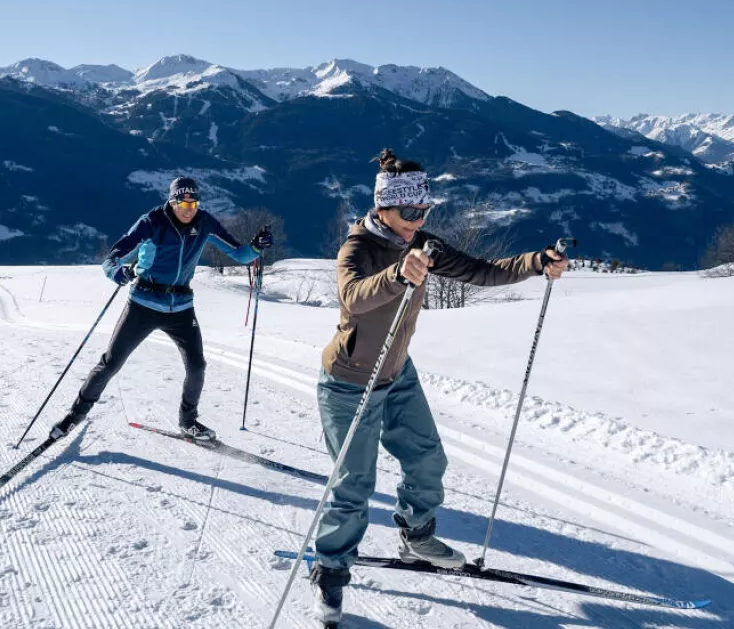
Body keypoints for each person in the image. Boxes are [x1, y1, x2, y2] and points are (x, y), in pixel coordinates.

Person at [310, 148, 569, 623]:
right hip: (350, 383)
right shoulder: (358, 248)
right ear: (382, 207)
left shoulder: (424, 245)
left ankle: (416, 535)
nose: (417, 220)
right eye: (409, 212)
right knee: (354, 486)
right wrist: (396, 274)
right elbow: (353, 296)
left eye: (424, 211)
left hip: (397, 372)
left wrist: (537, 261)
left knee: (428, 458)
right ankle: (329, 571)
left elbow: (481, 270)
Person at [49, 177, 272, 441]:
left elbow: (241, 255)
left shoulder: (205, 222)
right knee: (111, 363)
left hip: (181, 308)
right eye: (182, 203)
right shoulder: (152, 221)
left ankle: (188, 422)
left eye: (193, 203)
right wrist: (116, 272)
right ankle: (75, 416)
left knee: (197, 366)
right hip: (143, 303)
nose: (188, 209)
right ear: (172, 200)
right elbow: (113, 257)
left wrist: (257, 246)